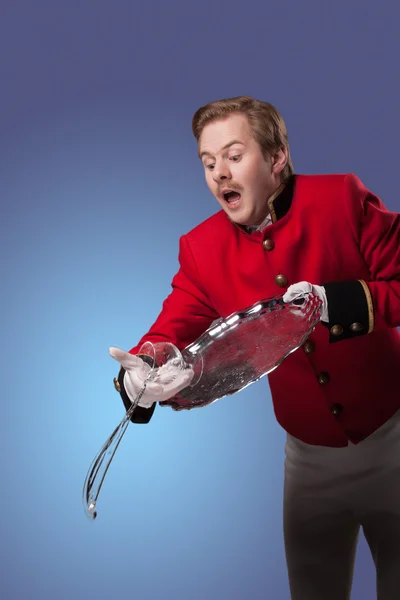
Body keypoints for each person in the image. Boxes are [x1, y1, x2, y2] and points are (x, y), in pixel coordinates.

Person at [110, 96, 400, 599]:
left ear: (277, 157)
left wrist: (335, 302)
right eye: (208, 163)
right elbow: (171, 327)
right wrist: (147, 368)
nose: (220, 172)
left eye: (234, 155)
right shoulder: (201, 250)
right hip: (308, 465)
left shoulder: (342, 198)